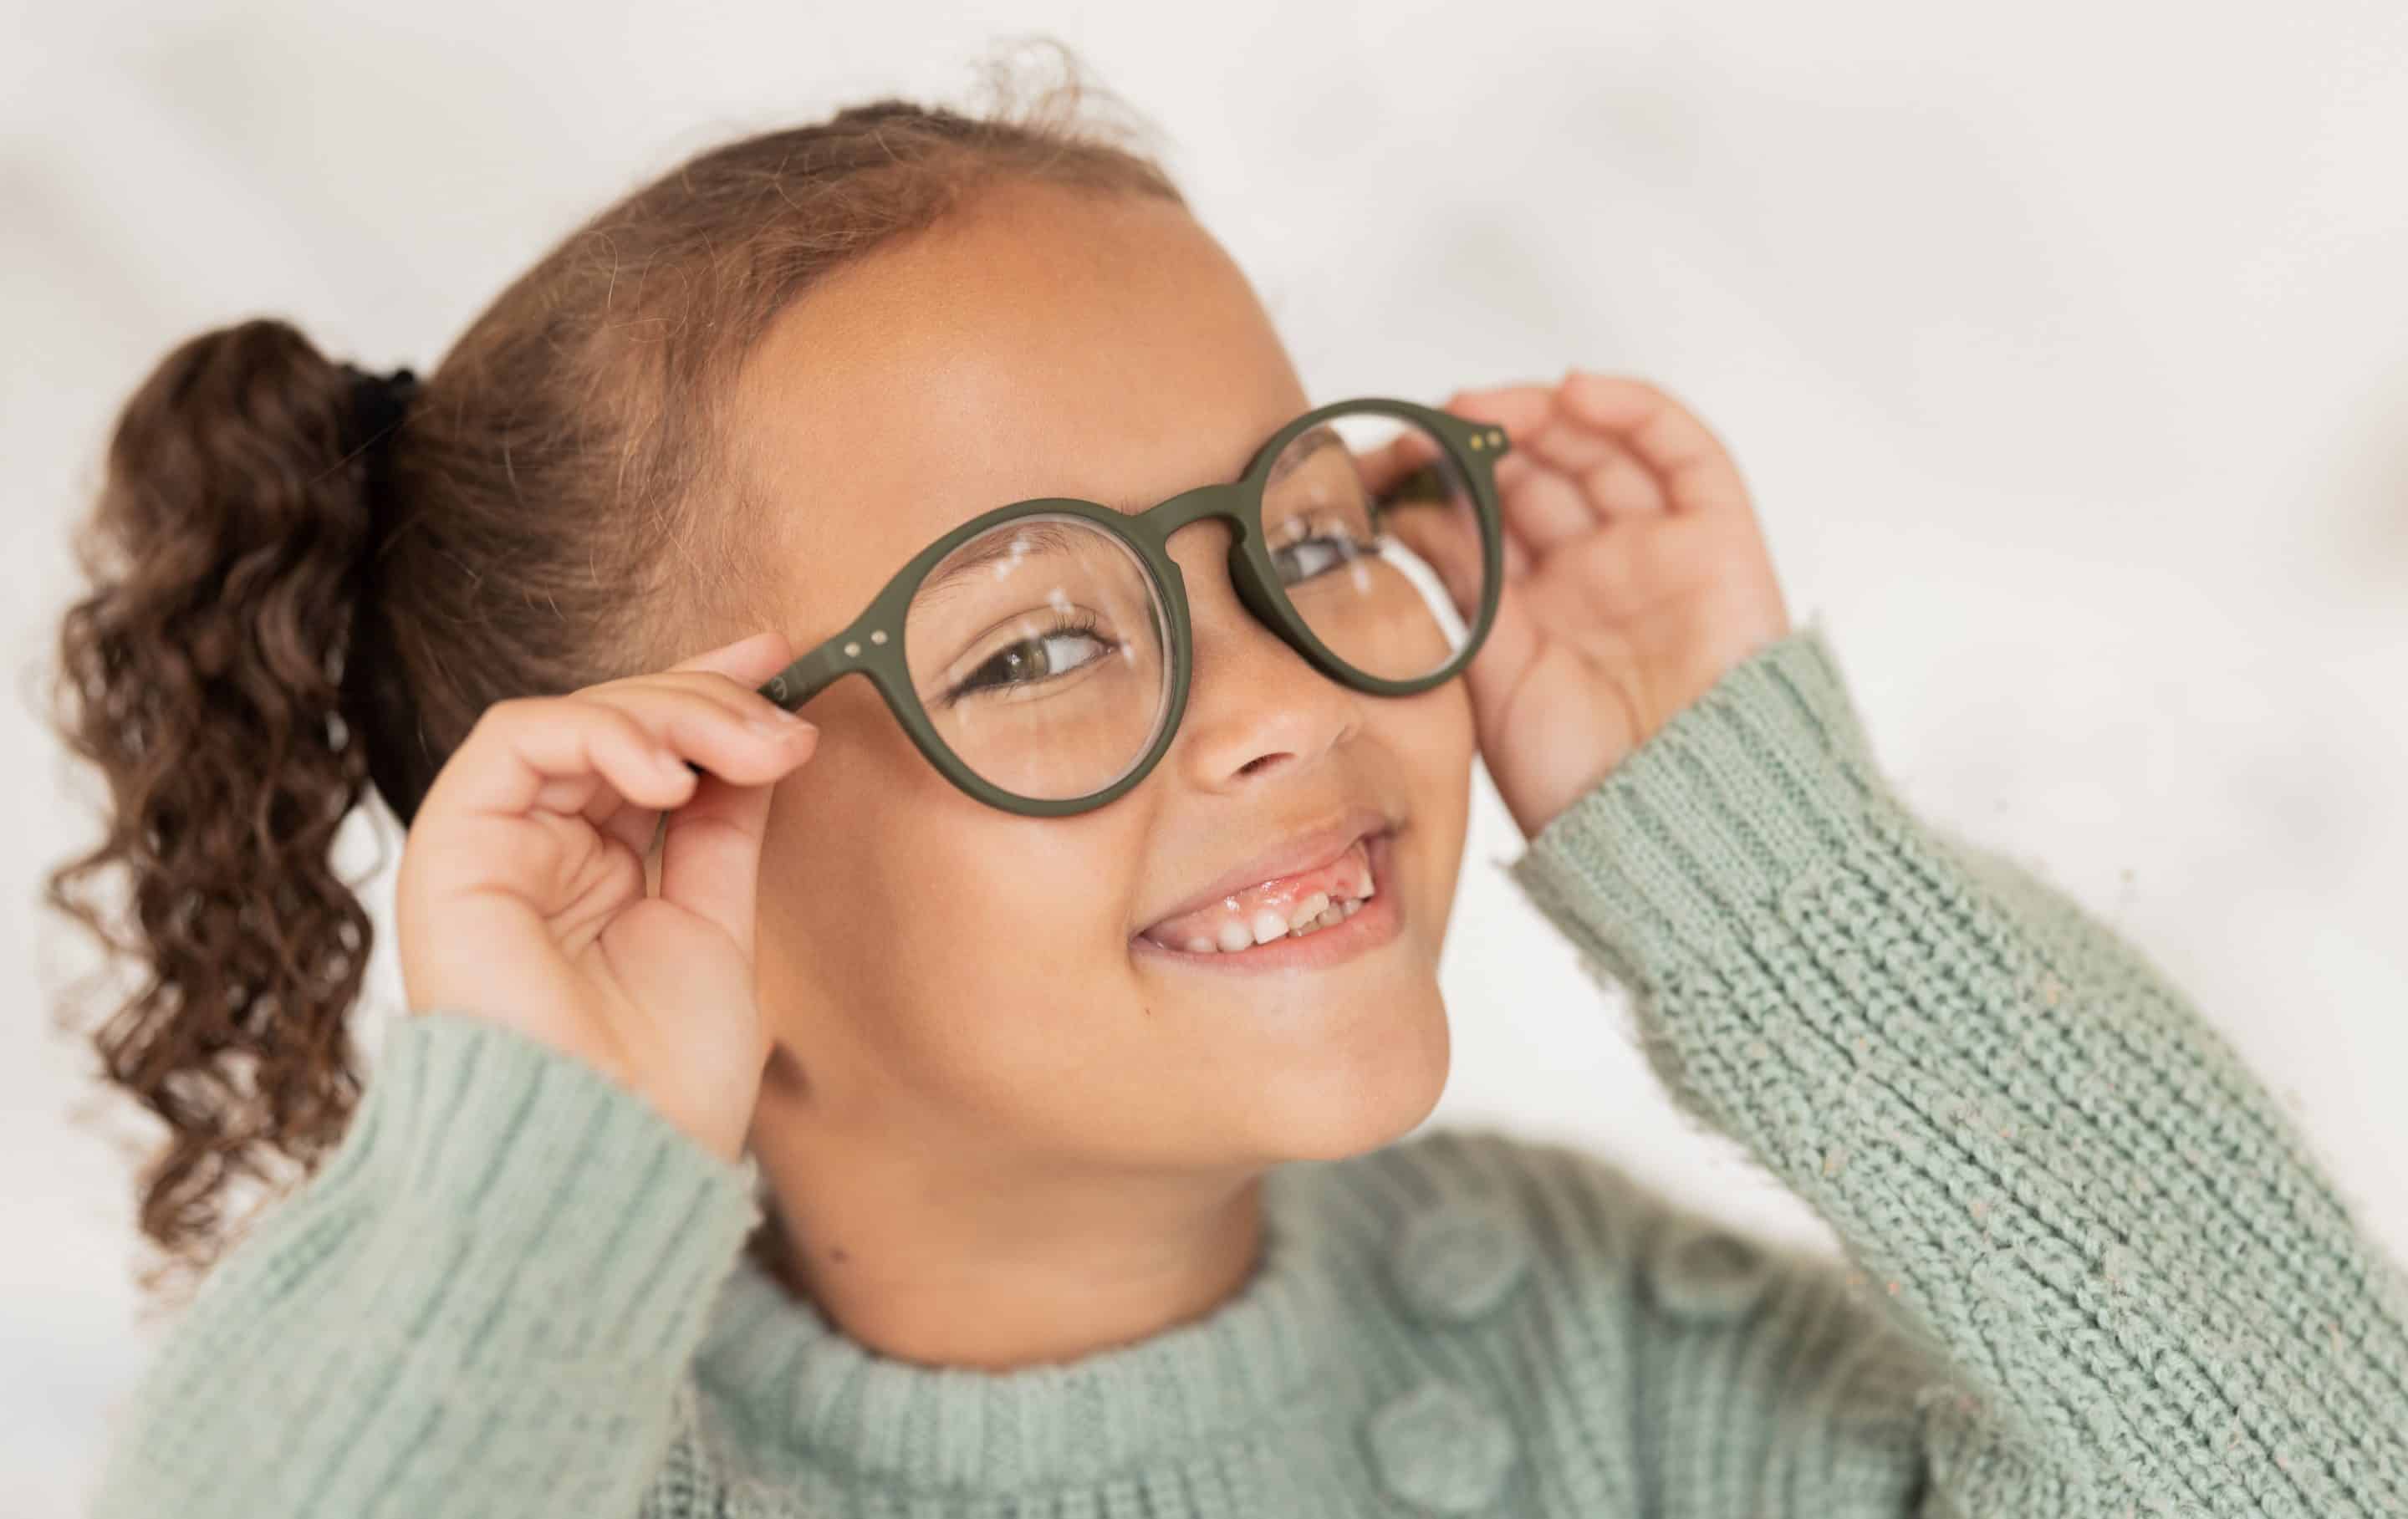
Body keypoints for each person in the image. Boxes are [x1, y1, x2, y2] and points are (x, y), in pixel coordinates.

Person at [47, 46, 2408, 1519]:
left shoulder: (1600, 1364)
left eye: (1295, 533)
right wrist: (532, 1153)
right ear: (670, 835)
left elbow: (2314, 1472)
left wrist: (1779, 878)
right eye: (1045, 636)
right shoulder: (562, 1452)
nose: (1283, 688)